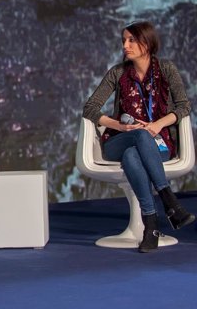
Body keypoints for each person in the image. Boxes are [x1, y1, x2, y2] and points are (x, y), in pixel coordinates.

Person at [83, 21, 194, 253]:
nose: (125, 45)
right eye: (123, 40)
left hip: (157, 144)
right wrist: (119, 127)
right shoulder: (118, 72)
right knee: (135, 140)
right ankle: (170, 203)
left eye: (131, 40)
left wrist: (157, 125)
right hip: (118, 141)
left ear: (147, 42)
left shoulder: (166, 70)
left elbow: (184, 106)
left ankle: (150, 225)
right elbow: (90, 108)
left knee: (134, 154)